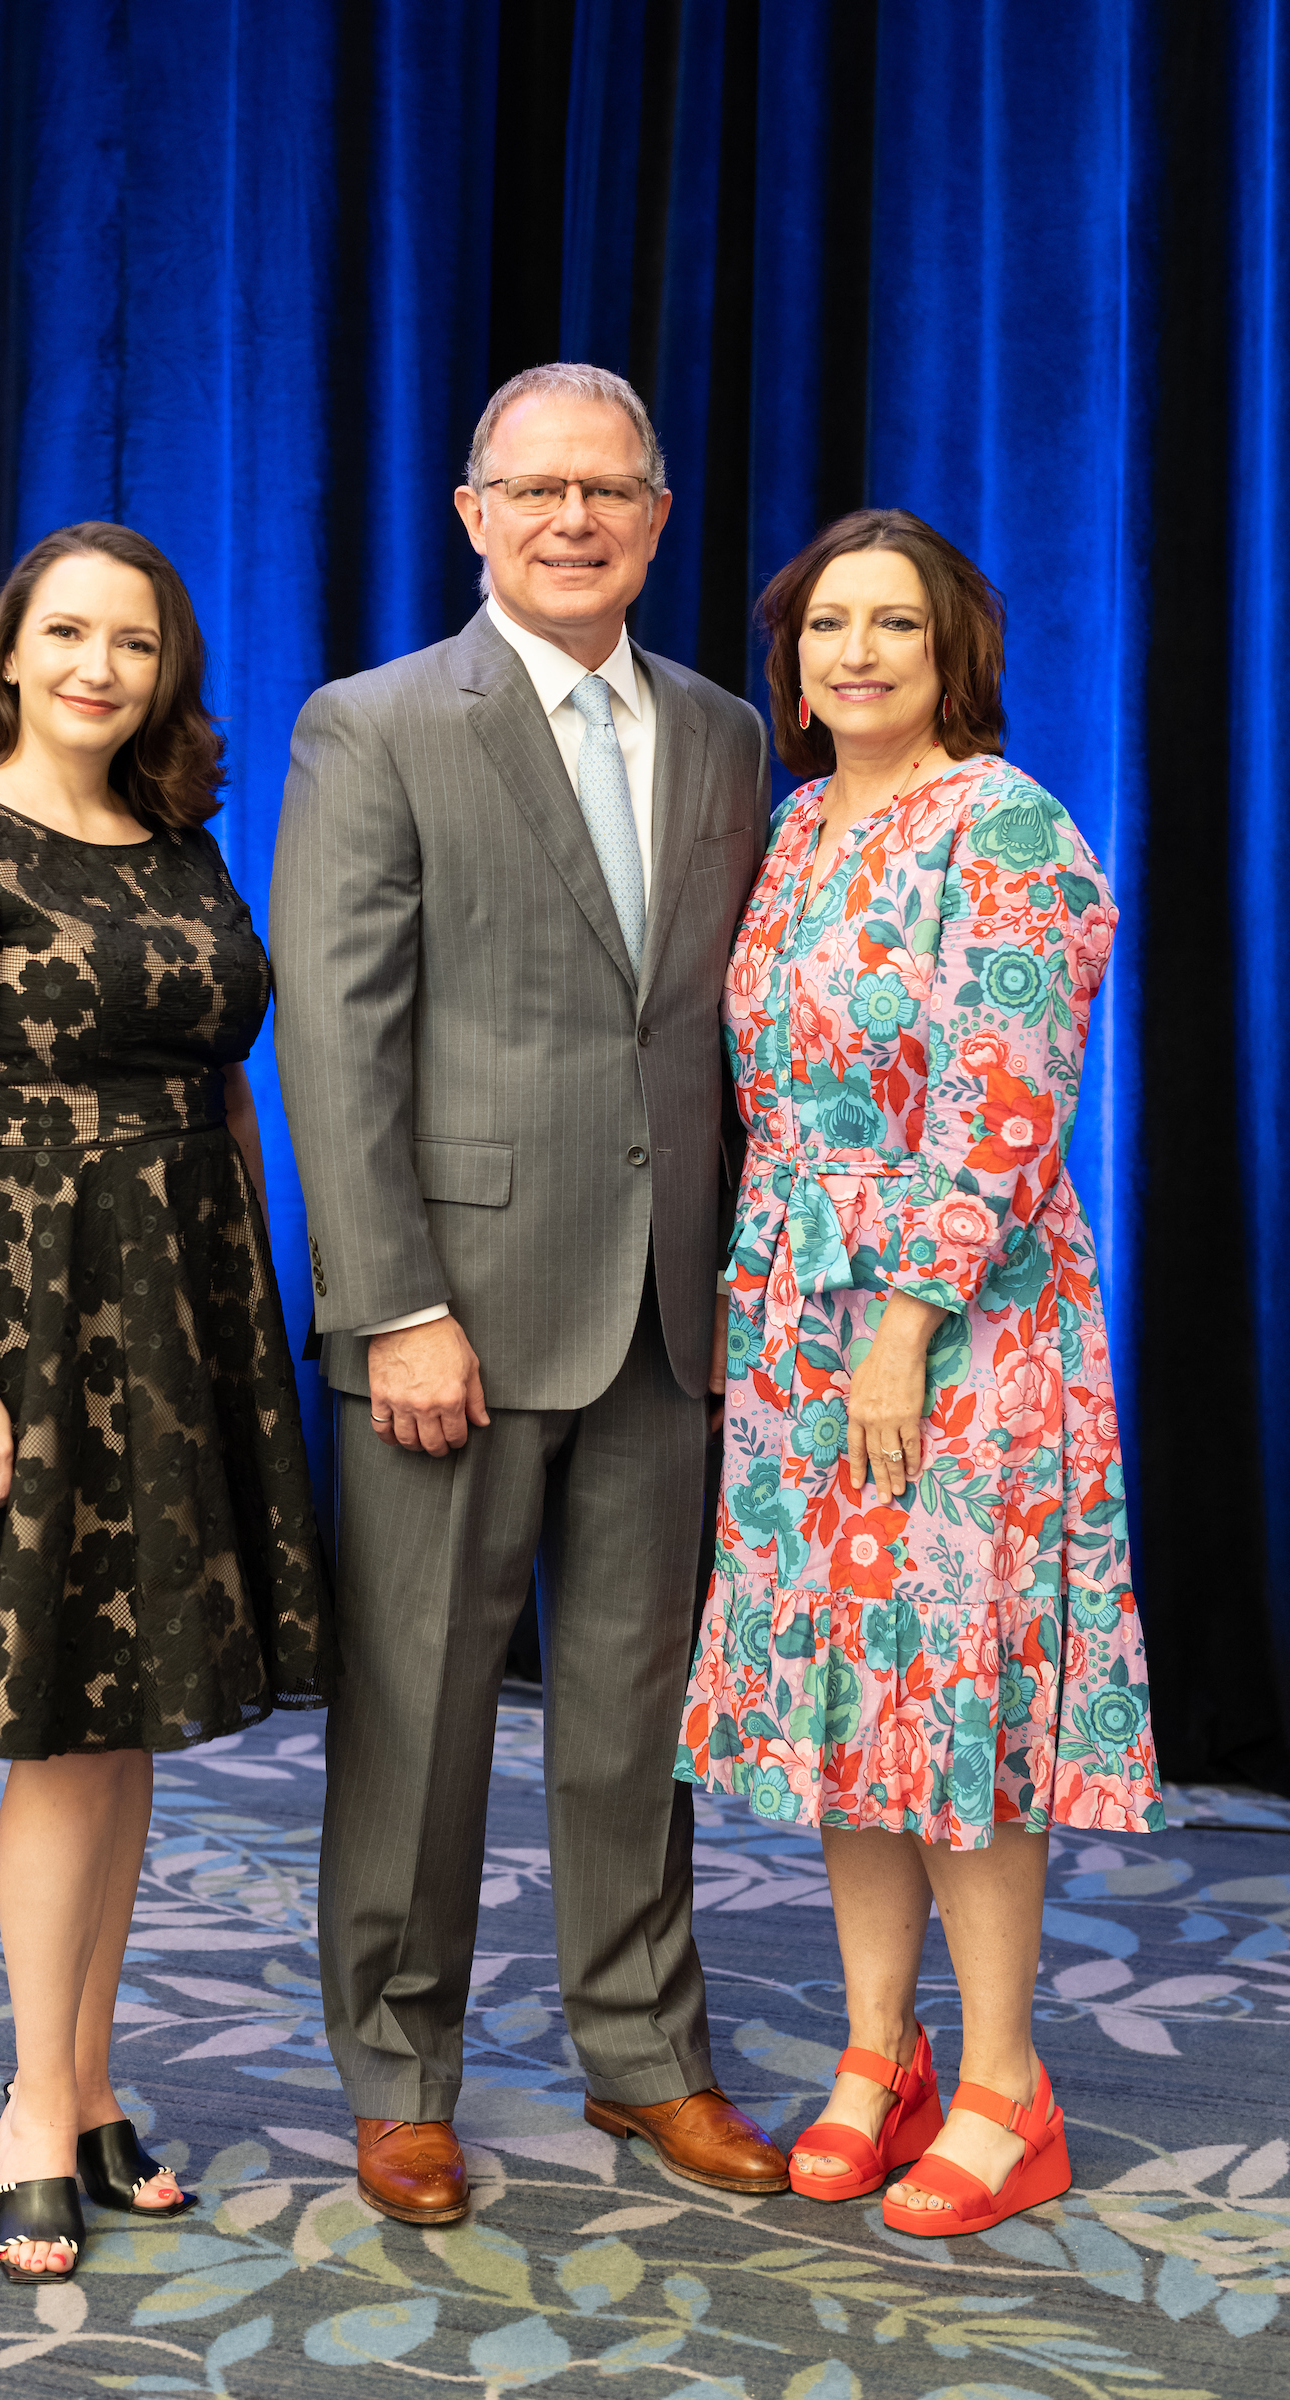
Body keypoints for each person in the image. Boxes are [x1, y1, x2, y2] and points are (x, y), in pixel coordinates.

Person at [0, 522, 337, 2281]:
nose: (102, 667)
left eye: (137, 642)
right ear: (11, 654)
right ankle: (35, 2106)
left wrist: (251, 1303)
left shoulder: (182, 849)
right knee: (54, 1716)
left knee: (128, 1712)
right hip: (26, 1305)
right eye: (72, 634)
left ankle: (92, 2081)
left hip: (182, 1304)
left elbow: (224, 1088)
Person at [271, 362, 785, 2227]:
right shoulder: (377, 722)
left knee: (634, 1714)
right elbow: (339, 1039)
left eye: (609, 490)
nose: (575, 519)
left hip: (669, 1308)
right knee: (416, 1718)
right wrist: (391, 1303)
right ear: (473, 514)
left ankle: (645, 2055)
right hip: (454, 1319)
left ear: (658, 519)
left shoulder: (728, 732)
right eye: (538, 489)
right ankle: (400, 2075)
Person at [677, 509, 1164, 2236]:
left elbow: (1005, 1103)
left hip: (960, 1328)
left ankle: (1007, 2086)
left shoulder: (1006, 824)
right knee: (847, 1703)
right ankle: (877, 2056)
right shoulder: (795, 825)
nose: (857, 652)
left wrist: (901, 1323)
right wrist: (769, 1313)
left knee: (955, 1696)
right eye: (828, 625)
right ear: (793, 661)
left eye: (894, 622)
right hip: (791, 1321)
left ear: (956, 651)